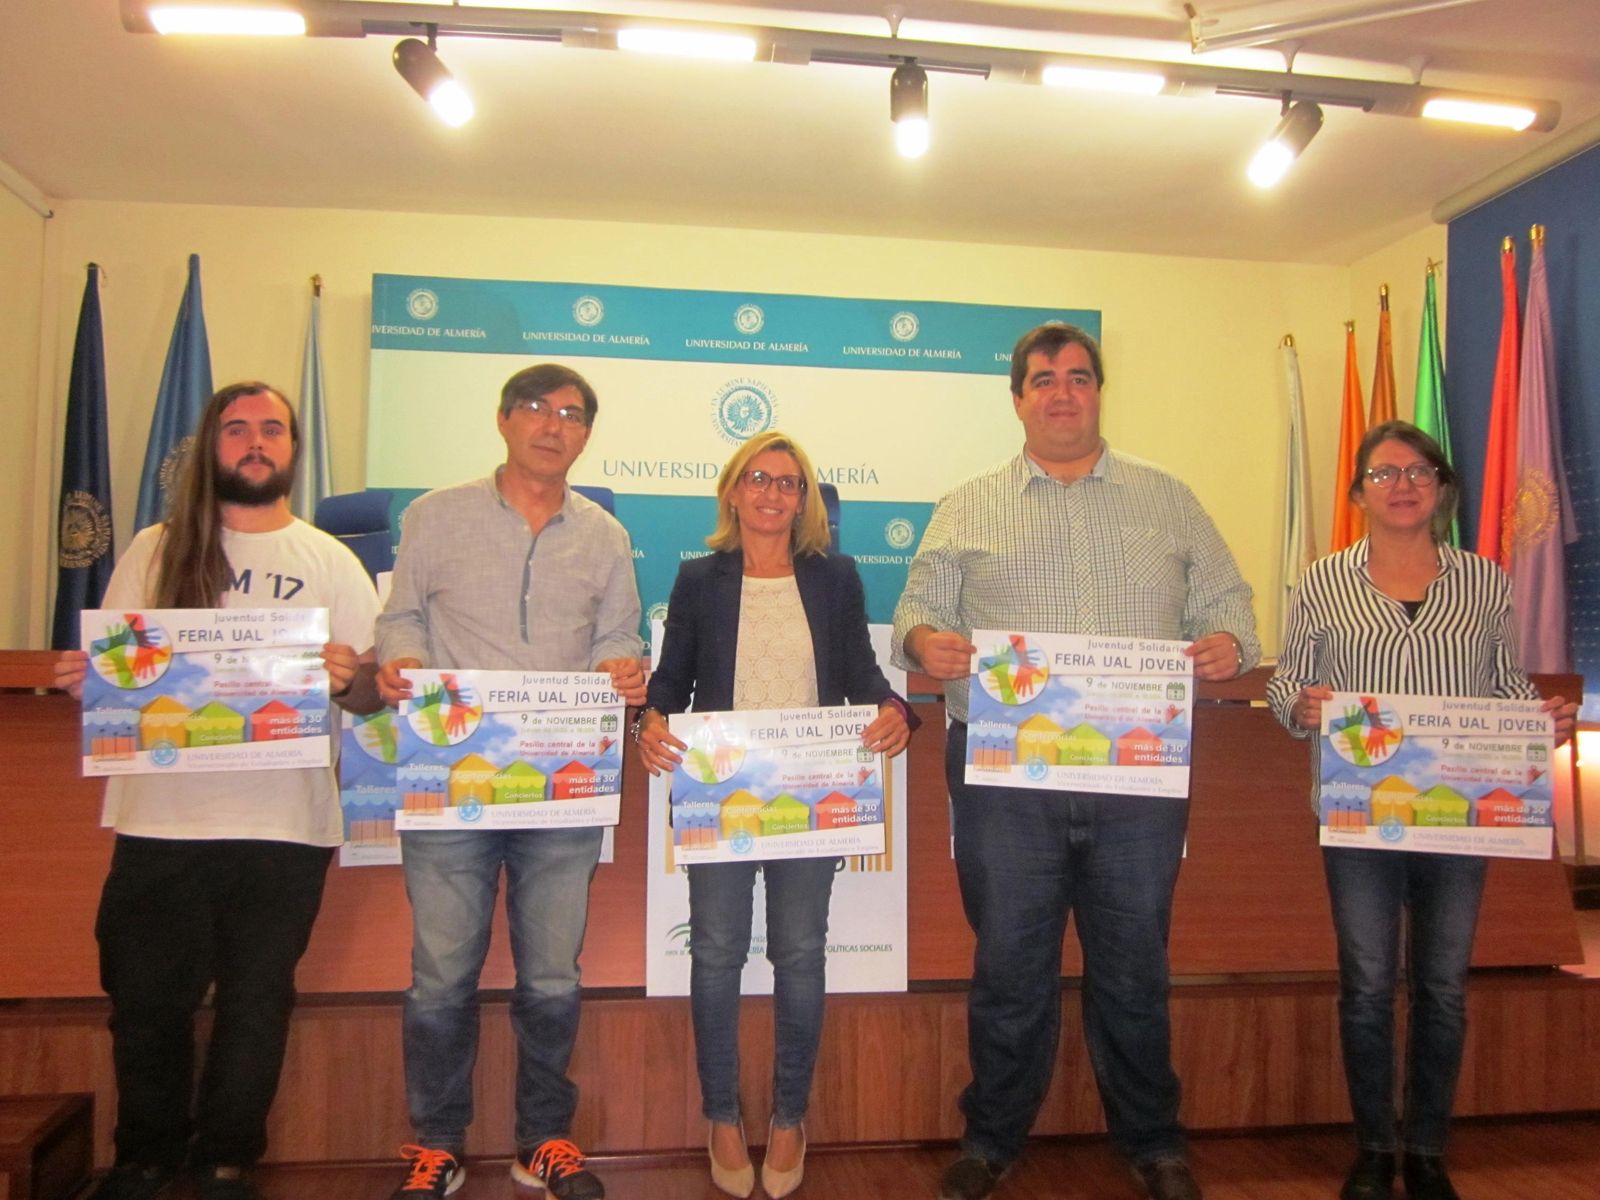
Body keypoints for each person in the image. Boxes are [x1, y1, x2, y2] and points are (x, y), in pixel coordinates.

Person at [891, 322, 1260, 1200]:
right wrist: (925, 644)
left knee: (1134, 963)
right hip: (1005, 780)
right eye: (1044, 379)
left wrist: (1226, 643)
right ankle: (991, 1138)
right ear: (1016, 398)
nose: (1063, 392)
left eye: (1080, 377)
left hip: (1135, 778)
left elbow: (1230, 602)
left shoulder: (1168, 500)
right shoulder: (967, 504)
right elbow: (916, 611)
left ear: (1099, 391)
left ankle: (1153, 1140)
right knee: (1010, 963)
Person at [55, 382, 383, 1200]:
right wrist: (90, 681)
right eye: (237, 429)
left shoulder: (329, 559)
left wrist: (351, 681)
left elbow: (377, 692)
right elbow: (121, 671)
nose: (255, 442)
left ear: (292, 449)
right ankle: (145, 1156)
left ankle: (228, 1159)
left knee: (254, 1003)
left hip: (285, 824)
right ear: (212, 445)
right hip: (159, 821)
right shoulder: (156, 549)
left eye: (272, 428)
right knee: (144, 1002)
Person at [1267, 421, 1577, 1200]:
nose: (1402, 484)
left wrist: (1537, 722)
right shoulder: (1322, 583)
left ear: (1442, 488)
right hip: (1357, 815)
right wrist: (1301, 707)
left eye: (1419, 470)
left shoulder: (1484, 582)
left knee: (1441, 986)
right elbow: (1283, 688)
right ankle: (1374, 1146)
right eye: (1383, 473)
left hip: (1455, 815)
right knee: (1368, 984)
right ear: (1359, 492)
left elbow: (1504, 686)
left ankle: (1428, 1149)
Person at [374, 363, 647, 1200]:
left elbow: (620, 635)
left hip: (561, 786)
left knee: (554, 976)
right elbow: (401, 618)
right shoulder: (433, 515)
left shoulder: (605, 535)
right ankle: (437, 1143)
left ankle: (544, 1140)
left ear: (586, 435)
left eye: (572, 414)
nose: (552, 425)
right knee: (442, 976)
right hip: (451, 780)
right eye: (536, 408)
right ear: (503, 420)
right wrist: (402, 664)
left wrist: (624, 673)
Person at [634, 431, 915, 1199]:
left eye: (790, 483)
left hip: (809, 794)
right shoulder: (698, 579)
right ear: (732, 491)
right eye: (758, 478)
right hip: (721, 793)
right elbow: (672, 681)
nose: (772, 492)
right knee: (716, 954)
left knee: (799, 954)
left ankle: (791, 1115)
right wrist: (650, 721)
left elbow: (860, 670)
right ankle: (721, 1115)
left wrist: (896, 710)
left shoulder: (835, 577)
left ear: (807, 500)